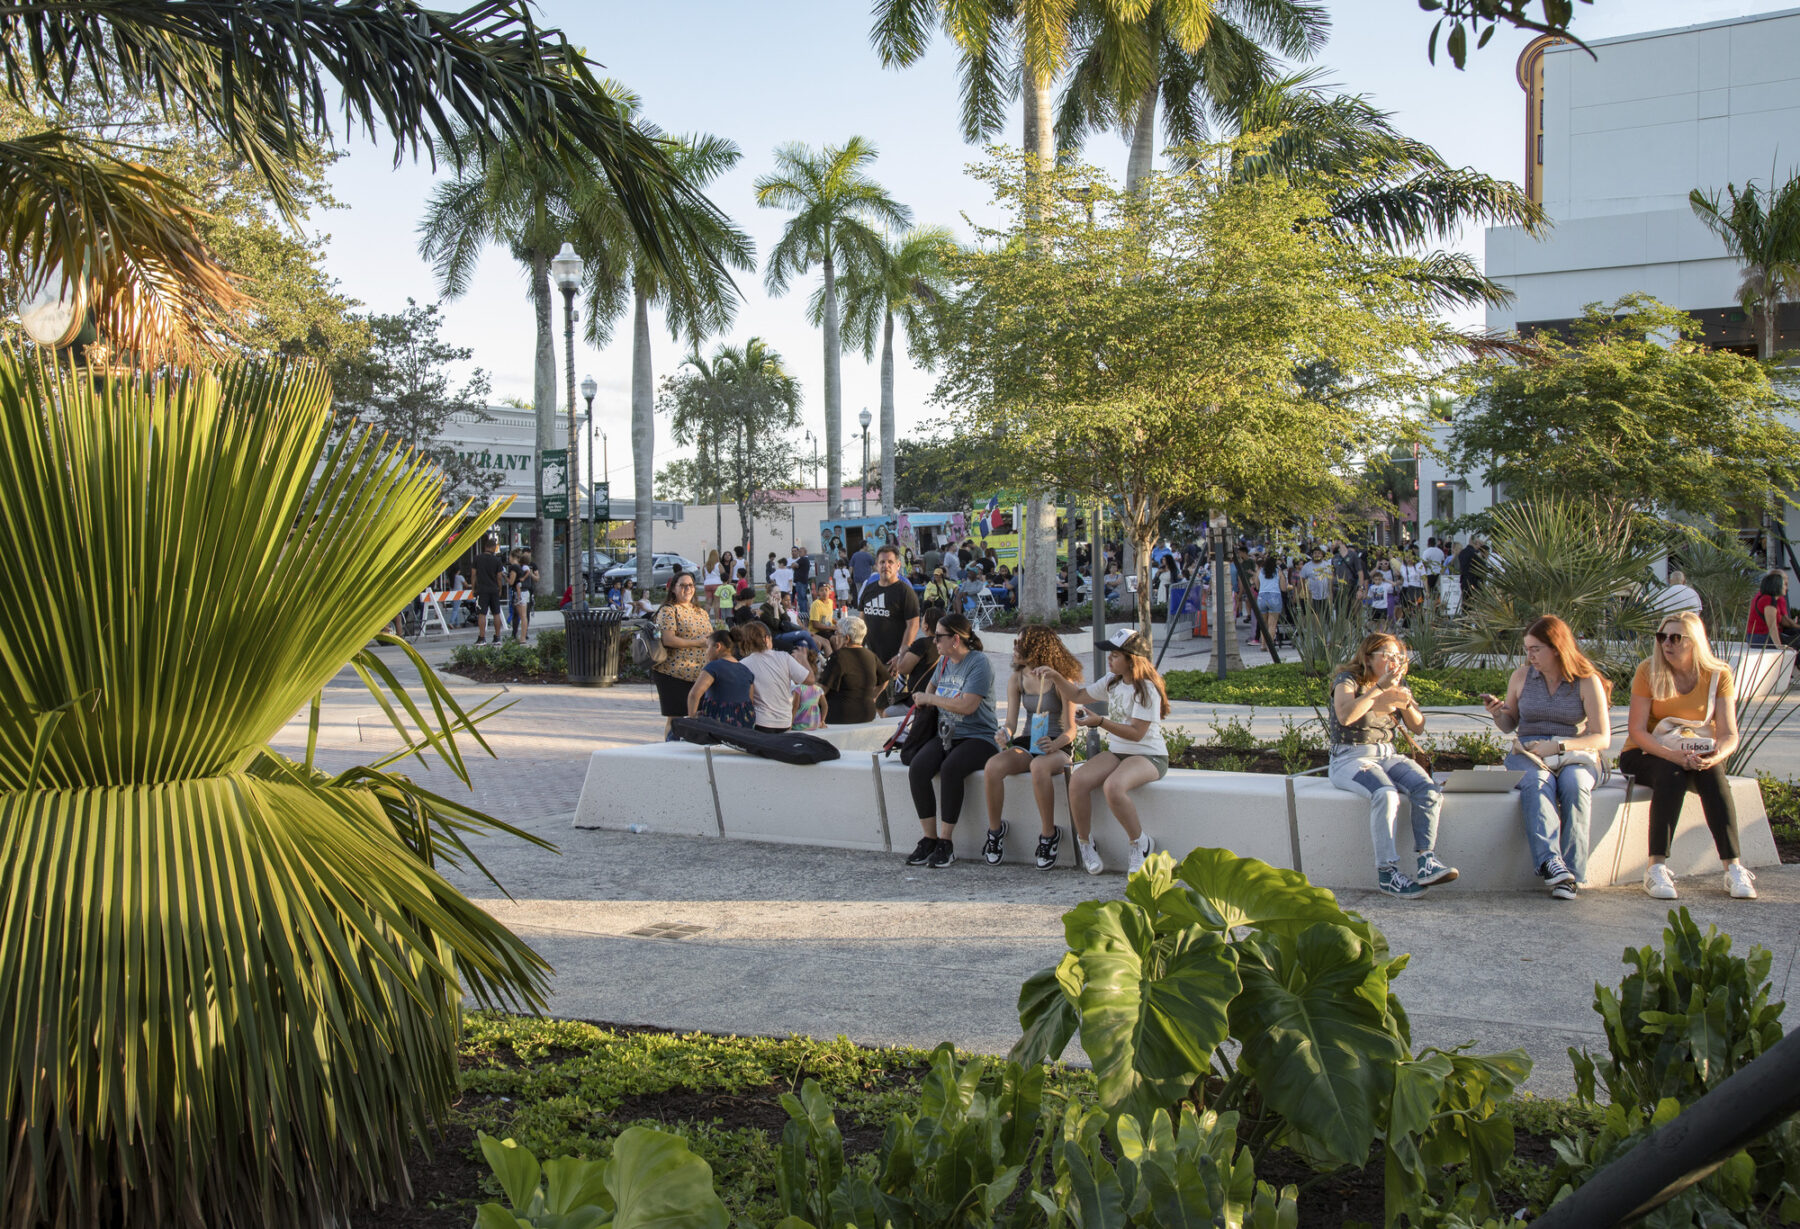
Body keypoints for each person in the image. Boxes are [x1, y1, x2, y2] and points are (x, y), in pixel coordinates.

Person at [1620, 610, 1755, 900]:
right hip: (1644, 752)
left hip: (1694, 752)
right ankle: (1655, 868)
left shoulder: (1718, 674)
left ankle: (1733, 868)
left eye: (1675, 637)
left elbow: (1729, 734)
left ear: (1694, 642)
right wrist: (1673, 756)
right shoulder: (1648, 670)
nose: (1666, 643)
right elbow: (1638, 730)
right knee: (1672, 774)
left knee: (1714, 774)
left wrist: (1715, 757)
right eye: (1662, 637)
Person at [1482, 615, 1612, 899]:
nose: (1529, 655)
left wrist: (1559, 746)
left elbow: (1603, 737)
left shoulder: (1586, 680)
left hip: (1573, 752)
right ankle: (1551, 862)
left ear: (1556, 647)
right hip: (1528, 750)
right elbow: (1509, 725)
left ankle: (1573, 876)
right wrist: (1497, 713)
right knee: (1537, 781)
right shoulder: (1522, 676)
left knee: (1575, 785)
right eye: (1527, 649)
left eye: (1535, 649)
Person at [1327, 633, 1457, 898]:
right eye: (1387, 655)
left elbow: (1418, 727)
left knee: (1428, 790)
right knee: (1385, 794)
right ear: (1368, 657)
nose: (1394, 660)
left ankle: (1426, 860)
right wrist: (1379, 689)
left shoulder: (1399, 682)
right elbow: (1345, 716)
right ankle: (1387, 873)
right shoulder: (1348, 680)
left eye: (1398, 656)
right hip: (1350, 757)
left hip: (1388, 754)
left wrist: (1405, 701)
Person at [1032, 628, 1169, 875]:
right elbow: (1077, 695)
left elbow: (1137, 733)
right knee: (1077, 782)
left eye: (1115, 655)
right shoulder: (1112, 680)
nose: (1109, 659)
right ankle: (1085, 843)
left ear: (1132, 659)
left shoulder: (1146, 689)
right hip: (1119, 752)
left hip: (1149, 755)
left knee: (1113, 787)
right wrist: (1055, 676)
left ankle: (1139, 843)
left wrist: (1100, 722)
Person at [903, 614, 1000, 869]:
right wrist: (926, 698)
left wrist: (930, 699)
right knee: (919, 768)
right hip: (946, 734)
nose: (934, 641)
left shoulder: (979, 663)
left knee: (951, 769)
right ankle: (929, 838)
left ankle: (946, 842)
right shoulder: (944, 662)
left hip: (979, 736)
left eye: (939, 637)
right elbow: (931, 691)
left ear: (955, 639)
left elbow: (968, 705)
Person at [982, 624, 1081, 869]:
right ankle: (995, 831)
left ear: (1037, 648)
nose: (1015, 648)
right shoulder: (1017, 678)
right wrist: (1004, 734)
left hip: (1058, 745)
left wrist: (1054, 744)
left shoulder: (1060, 679)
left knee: (1039, 766)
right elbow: (1012, 724)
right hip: (1029, 741)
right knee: (993, 767)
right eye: (1016, 643)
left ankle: (1049, 834)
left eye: (1021, 643)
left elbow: (1072, 729)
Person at [650, 572, 714, 738]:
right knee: (675, 719)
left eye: (690, 585)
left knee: (698, 717)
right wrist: (698, 642)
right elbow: (668, 639)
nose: (688, 589)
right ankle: (670, 753)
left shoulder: (701, 612)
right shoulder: (669, 611)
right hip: (673, 674)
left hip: (699, 675)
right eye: (683, 585)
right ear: (673, 589)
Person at [737, 620, 817, 735]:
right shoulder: (784, 657)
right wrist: (804, 658)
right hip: (785, 721)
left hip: (760, 721)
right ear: (767, 638)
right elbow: (810, 680)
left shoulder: (743, 664)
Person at [858, 543, 922, 672]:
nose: (885, 566)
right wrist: (858, 648)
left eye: (890, 562)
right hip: (871, 658)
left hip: (894, 661)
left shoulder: (905, 592)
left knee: (893, 692)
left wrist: (901, 654)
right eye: (882, 562)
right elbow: (861, 622)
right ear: (876, 565)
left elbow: (913, 625)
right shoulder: (868, 590)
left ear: (898, 565)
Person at [820, 614, 890, 724]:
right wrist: (873, 697)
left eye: (837, 633)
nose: (834, 637)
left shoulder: (838, 656)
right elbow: (885, 679)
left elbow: (822, 690)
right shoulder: (871, 655)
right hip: (867, 714)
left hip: (840, 715)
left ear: (846, 638)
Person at [687, 628, 756, 730]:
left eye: (708, 647)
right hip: (744, 722)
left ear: (717, 646)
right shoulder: (746, 670)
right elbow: (750, 700)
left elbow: (694, 694)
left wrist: (692, 718)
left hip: (718, 720)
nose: (706, 652)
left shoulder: (713, 667)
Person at [888, 606, 943, 716]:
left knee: (886, 714)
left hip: (919, 699)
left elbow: (903, 669)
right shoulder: (946, 643)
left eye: (922, 620)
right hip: (939, 697)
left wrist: (903, 651)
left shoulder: (922, 644)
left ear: (926, 626)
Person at [1747, 571, 1800, 647]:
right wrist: (1779, 645)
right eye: (1784, 584)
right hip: (1760, 638)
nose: (1786, 587)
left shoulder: (1767, 598)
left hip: (1758, 637)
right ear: (1776, 585)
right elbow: (1772, 627)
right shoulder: (1768, 601)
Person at [472, 536, 506, 645]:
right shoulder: (497, 560)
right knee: (496, 613)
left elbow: (473, 574)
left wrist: (473, 588)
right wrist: (500, 588)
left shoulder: (477, 558)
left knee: (482, 613)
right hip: (494, 589)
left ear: (485, 547)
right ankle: (497, 637)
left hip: (482, 589)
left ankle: (482, 638)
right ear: (493, 548)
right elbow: (499, 576)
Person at [1254, 555, 1285, 663]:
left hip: (1262, 596)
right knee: (1272, 624)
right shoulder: (1278, 571)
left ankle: (1262, 644)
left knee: (1263, 623)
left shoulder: (1260, 571)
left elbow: (1256, 586)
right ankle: (1270, 646)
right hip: (1274, 596)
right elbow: (1283, 587)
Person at [791, 647, 827, 730]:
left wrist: (790, 724)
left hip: (799, 725)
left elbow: (795, 707)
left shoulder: (799, 689)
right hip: (815, 725)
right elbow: (825, 706)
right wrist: (822, 721)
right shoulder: (818, 689)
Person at [510, 549, 537, 641]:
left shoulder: (518, 567)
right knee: (522, 615)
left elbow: (512, 582)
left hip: (522, 591)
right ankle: (522, 636)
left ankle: (522, 637)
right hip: (524, 591)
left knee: (522, 615)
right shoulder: (522, 567)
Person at [1420, 537, 1446, 606]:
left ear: (1428, 543)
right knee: (1437, 592)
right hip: (1438, 573)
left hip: (1430, 573)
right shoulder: (1440, 551)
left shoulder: (1426, 552)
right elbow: (1443, 562)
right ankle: (1437, 604)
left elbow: (1424, 563)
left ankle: (1430, 605)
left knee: (1429, 592)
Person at [702, 550, 724, 619]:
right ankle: (717, 620)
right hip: (717, 584)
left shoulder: (705, 565)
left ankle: (705, 619)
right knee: (717, 603)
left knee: (708, 603)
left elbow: (704, 575)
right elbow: (723, 573)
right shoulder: (718, 564)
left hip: (707, 584)